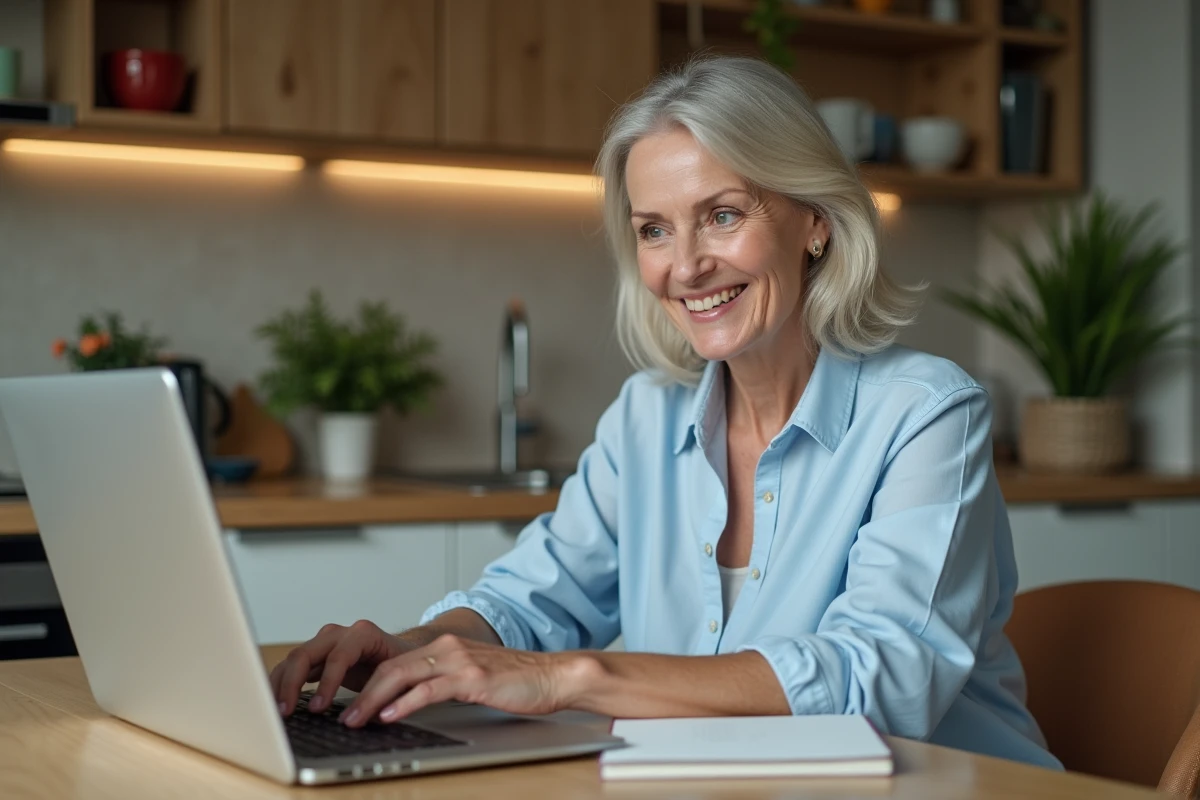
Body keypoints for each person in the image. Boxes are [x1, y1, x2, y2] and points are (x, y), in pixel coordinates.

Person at [270, 56, 1060, 769]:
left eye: (722, 214)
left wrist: (570, 678)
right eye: (654, 230)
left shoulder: (926, 414)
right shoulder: (645, 418)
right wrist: (409, 653)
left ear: (815, 220)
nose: (685, 266)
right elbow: (535, 601)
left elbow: (883, 677)